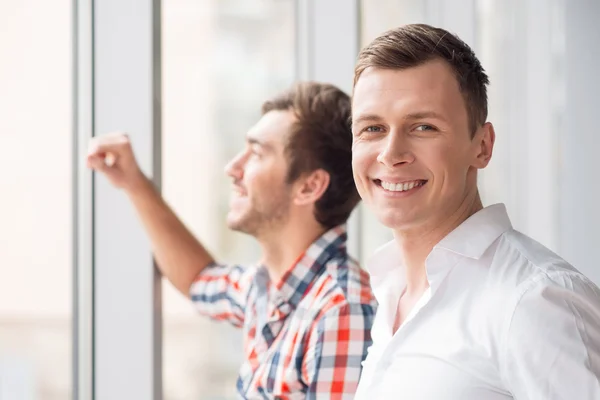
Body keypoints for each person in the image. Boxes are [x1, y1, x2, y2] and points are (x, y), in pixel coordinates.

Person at [350, 24, 600, 399]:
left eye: (423, 126)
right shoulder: (390, 289)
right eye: (372, 128)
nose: (391, 153)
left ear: (482, 146)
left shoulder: (534, 301)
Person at [87, 82, 377, 399]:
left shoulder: (341, 312)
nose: (232, 168)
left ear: (309, 186)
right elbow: (199, 280)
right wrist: (134, 183)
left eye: (255, 153)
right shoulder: (265, 289)